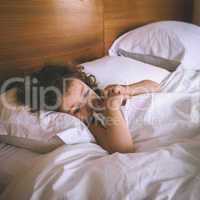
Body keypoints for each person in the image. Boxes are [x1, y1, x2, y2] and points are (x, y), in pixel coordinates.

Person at [15, 64, 161, 153]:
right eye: (77, 110)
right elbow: (123, 149)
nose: (88, 104)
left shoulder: (107, 92)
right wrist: (113, 108)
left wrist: (127, 90)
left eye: (86, 93)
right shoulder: (94, 122)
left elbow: (155, 86)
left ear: (86, 84)